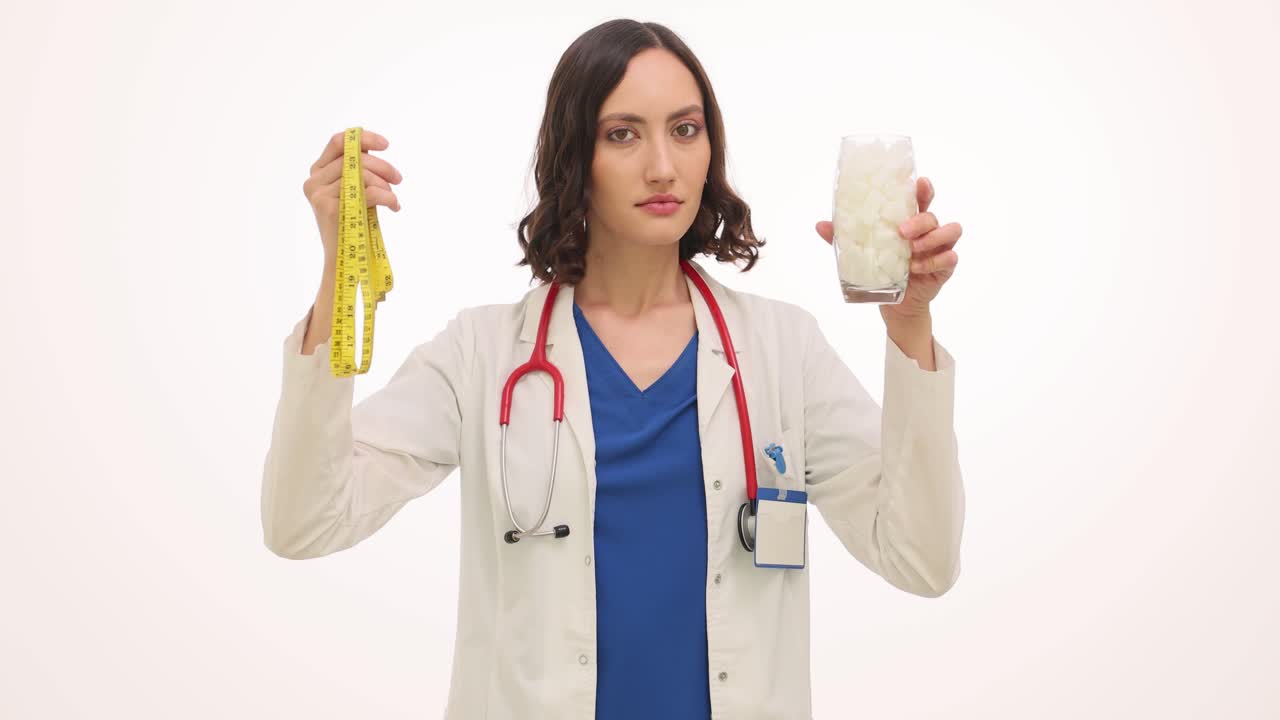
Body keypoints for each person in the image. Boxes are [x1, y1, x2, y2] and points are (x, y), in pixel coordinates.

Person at [261, 18, 965, 720]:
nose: (662, 166)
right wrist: (338, 266)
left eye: (684, 130)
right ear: (575, 157)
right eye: (623, 133)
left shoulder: (784, 350)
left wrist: (909, 325)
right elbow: (306, 521)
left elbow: (920, 559)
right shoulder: (481, 355)